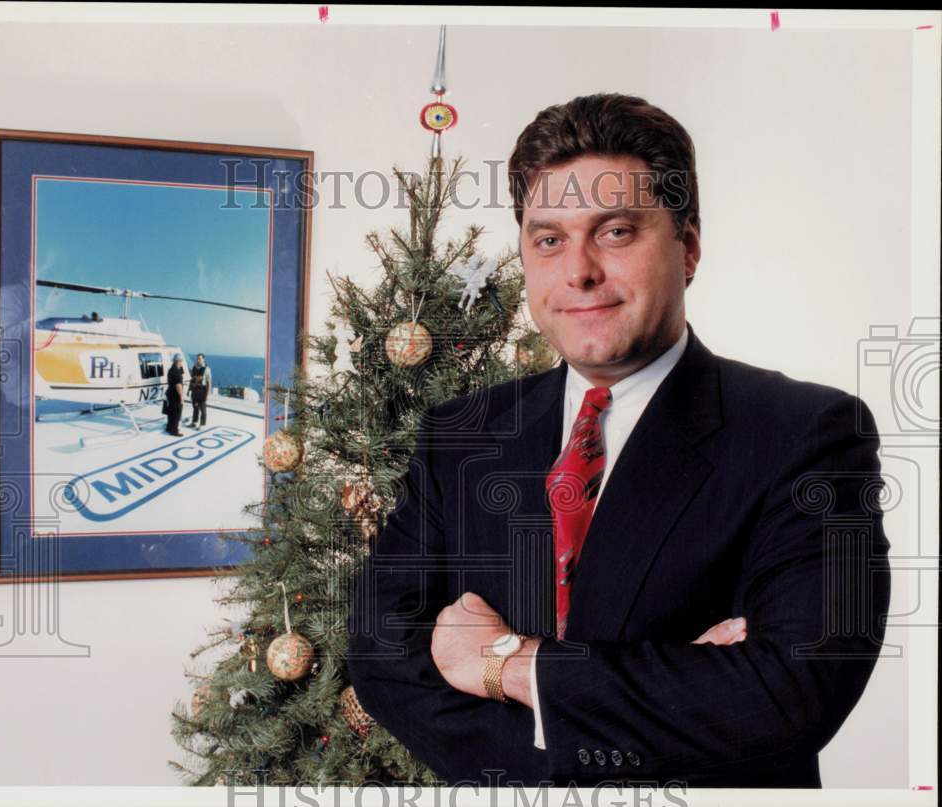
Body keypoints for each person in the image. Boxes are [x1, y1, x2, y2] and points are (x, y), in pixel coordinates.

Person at [346, 93, 891, 788]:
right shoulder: (461, 434)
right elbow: (382, 655)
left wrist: (507, 662)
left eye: (615, 232)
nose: (578, 271)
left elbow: (790, 693)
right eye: (549, 239)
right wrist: (665, 690)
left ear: (688, 247)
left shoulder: (807, 433)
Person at [188, 353, 211, 430]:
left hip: (202, 390)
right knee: (195, 407)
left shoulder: (206, 369)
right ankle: (194, 422)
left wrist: (208, 394)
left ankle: (202, 424)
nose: (198, 360)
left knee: (202, 408)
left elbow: (209, 382)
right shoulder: (194, 367)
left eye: (200, 359)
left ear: (203, 359)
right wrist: (189, 390)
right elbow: (192, 379)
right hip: (195, 390)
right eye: (197, 359)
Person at [164, 352, 185, 437]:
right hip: (175, 395)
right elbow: (178, 385)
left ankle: (169, 427)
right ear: (178, 361)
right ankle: (174, 430)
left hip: (170, 393)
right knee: (176, 412)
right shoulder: (176, 372)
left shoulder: (171, 369)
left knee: (170, 412)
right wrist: (181, 397)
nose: (181, 363)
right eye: (181, 361)